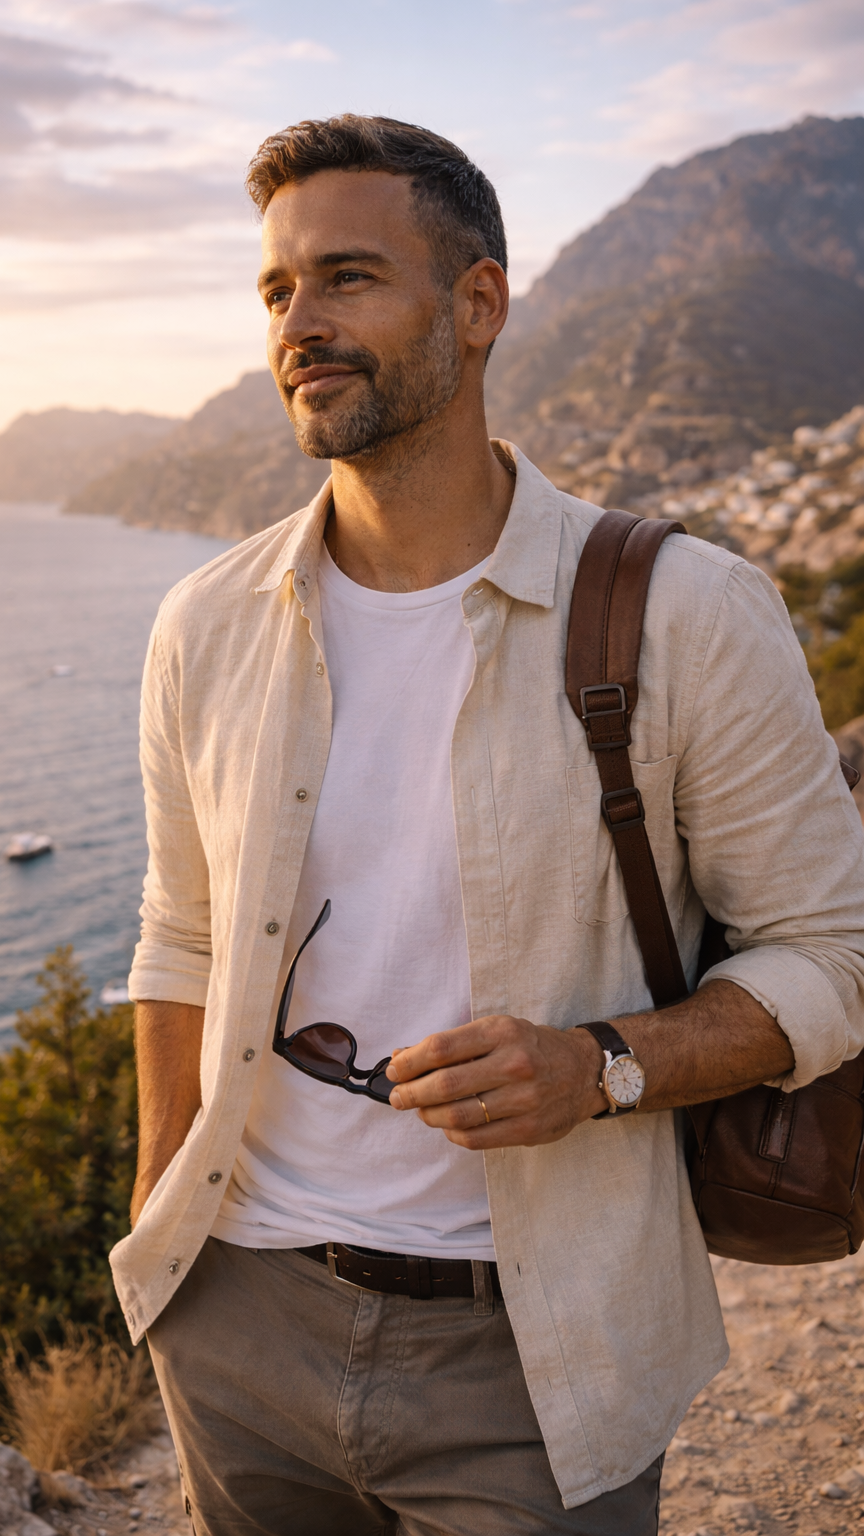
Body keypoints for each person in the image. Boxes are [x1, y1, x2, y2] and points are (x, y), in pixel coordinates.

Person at [109, 116, 864, 1535]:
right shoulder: (204, 625)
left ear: (480, 303)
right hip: (238, 1318)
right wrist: (165, 1231)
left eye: (346, 278)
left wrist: (601, 1068)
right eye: (277, 291)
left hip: (537, 1343)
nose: (300, 324)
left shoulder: (688, 613)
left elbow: (836, 959)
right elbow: (182, 934)